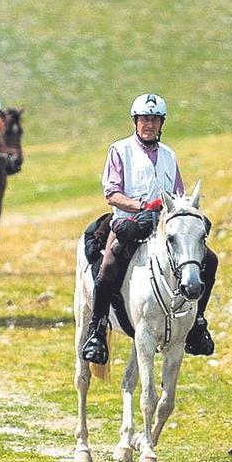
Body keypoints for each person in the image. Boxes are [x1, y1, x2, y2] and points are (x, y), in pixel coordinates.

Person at [79, 94, 216, 364]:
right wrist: (141, 206)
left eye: (154, 120)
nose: (149, 125)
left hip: (163, 224)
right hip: (129, 221)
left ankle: (197, 323)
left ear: (161, 123)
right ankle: (97, 329)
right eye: (144, 119)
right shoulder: (120, 150)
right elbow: (112, 194)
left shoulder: (169, 155)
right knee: (109, 264)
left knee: (209, 260)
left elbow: (178, 193)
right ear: (135, 121)